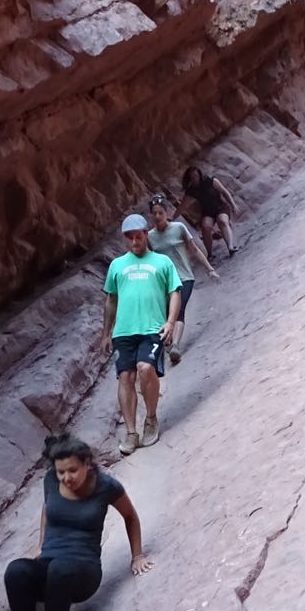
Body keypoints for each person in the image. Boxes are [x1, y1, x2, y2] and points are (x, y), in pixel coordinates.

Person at [4, 434, 152, 611]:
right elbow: (48, 507)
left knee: (60, 570)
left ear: (88, 464)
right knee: (15, 571)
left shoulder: (106, 486)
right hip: (50, 564)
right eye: (61, 472)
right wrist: (41, 545)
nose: (66, 478)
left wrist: (137, 556)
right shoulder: (51, 480)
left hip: (84, 574)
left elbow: (130, 516)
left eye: (72, 470)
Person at [101, 213, 182, 455]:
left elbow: (175, 292)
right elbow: (111, 299)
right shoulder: (117, 266)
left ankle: (151, 418)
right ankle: (131, 432)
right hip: (124, 332)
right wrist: (106, 333)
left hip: (152, 328)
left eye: (138, 236)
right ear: (126, 239)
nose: (135, 242)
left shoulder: (162, 263)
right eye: (130, 238)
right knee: (125, 377)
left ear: (146, 234)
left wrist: (170, 321)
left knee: (145, 369)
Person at [147, 194, 218, 363]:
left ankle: (176, 347)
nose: (157, 217)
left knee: (178, 311)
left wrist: (210, 269)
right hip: (164, 283)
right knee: (165, 315)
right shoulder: (149, 237)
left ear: (166, 212)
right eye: (154, 213)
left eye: (160, 213)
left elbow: (193, 250)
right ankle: (169, 343)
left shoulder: (178, 228)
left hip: (184, 277)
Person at [180, 165, 240, 259]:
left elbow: (225, 192)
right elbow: (182, 206)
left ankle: (230, 247)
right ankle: (210, 254)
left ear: (199, 175)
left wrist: (233, 205)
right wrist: (172, 218)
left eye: (196, 176)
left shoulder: (211, 181)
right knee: (206, 227)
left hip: (220, 207)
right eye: (192, 177)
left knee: (222, 221)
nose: (194, 179)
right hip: (208, 212)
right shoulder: (191, 191)